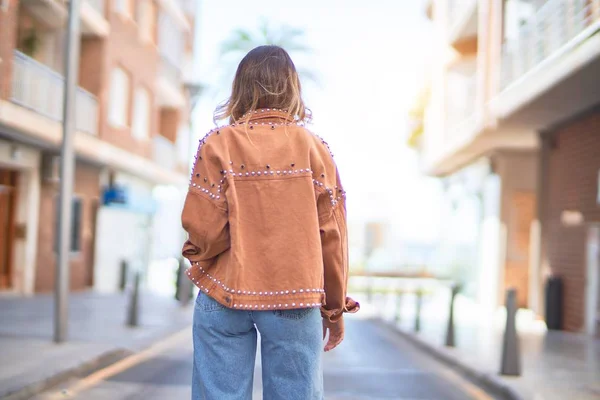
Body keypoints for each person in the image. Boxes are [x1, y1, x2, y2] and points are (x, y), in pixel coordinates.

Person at [181, 45, 359, 400]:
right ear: (292, 89)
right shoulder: (315, 149)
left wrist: (201, 254)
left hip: (224, 291)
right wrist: (334, 309)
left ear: (240, 88)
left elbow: (204, 231)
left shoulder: (218, 144)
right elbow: (332, 238)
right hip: (295, 296)